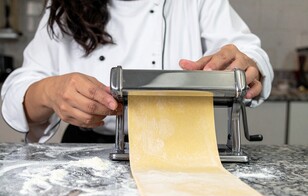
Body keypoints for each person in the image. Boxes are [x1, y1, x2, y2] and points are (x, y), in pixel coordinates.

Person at [1, 0, 273, 143]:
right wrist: (50, 91)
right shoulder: (65, 7)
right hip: (92, 149)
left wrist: (249, 67)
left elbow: (248, 53)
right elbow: (18, 89)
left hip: (184, 146)